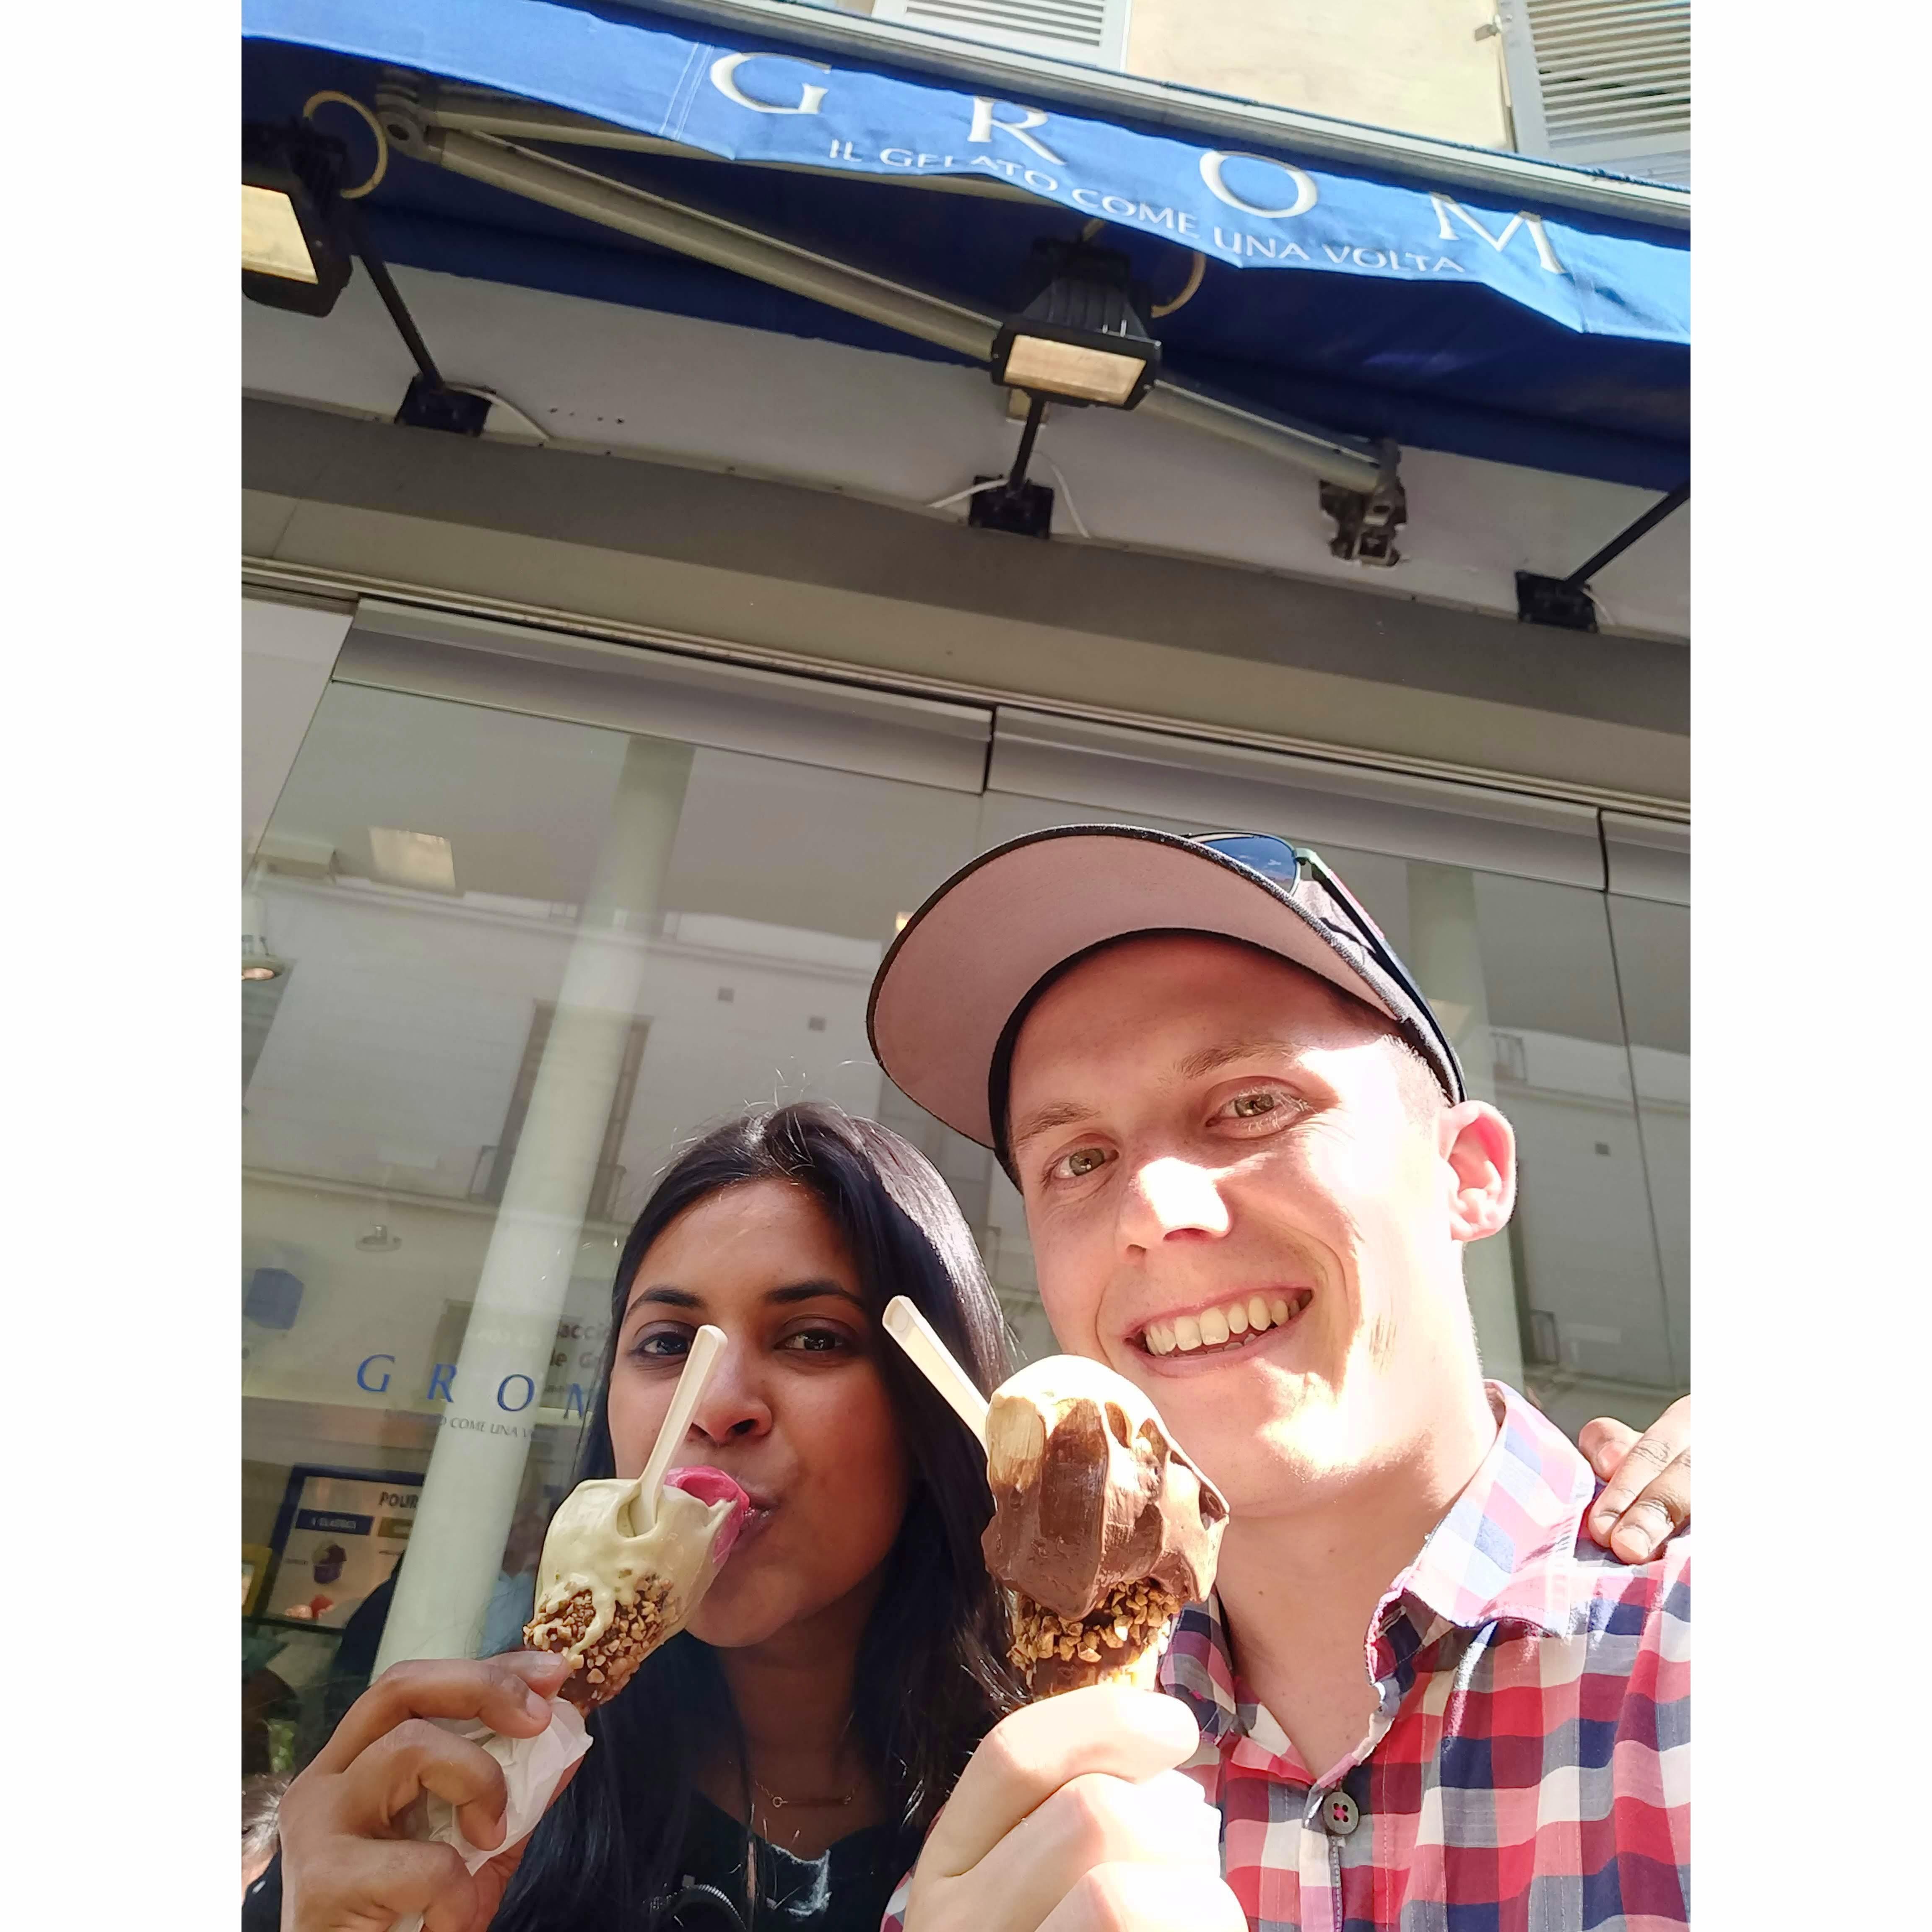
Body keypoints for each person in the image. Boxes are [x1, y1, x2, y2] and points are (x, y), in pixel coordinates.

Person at [865, 826, 1692, 1931]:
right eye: (1079, 1160)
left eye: (1252, 1103)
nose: (1156, 1208)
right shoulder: (1024, 1832)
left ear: (1468, 1175)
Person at [273, 1102, 1021, 1932]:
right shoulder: (456, 1807)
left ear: (930, 1411)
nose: (718, 1406)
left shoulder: (1061, 1800)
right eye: (667, 1343)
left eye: (813, 1339)